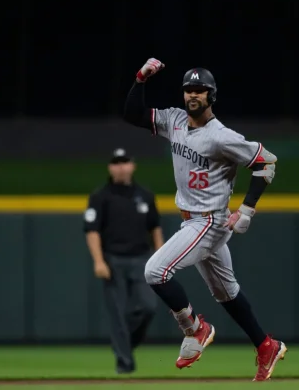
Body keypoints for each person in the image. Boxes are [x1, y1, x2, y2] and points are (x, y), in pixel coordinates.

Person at [121, 58, 287, 381]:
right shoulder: (175, 121)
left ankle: (195, 328)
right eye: (188, 90)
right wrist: (140, 79)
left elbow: (266, 163)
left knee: (155, 271)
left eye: (200, 90)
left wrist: (247, 209)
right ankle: (266, 344)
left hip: (209, 221)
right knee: (227, 293)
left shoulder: (221, 136)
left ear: (211, 96)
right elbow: (132, 114)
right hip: (192, 220)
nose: (192, 95)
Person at [83, 147, 164, 374]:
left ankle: (124, 343)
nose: (121, 166)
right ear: (110, 167)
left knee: (148, 306)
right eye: (116, 162)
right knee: (117, 313)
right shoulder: (100, 196)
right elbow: (92, 230)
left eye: (125, 161)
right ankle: (124, 364)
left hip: (142, 259)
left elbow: (155, 228)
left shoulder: (145, 195)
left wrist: (161, 258)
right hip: (113, 260)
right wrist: (98, 261)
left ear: (132, 165)